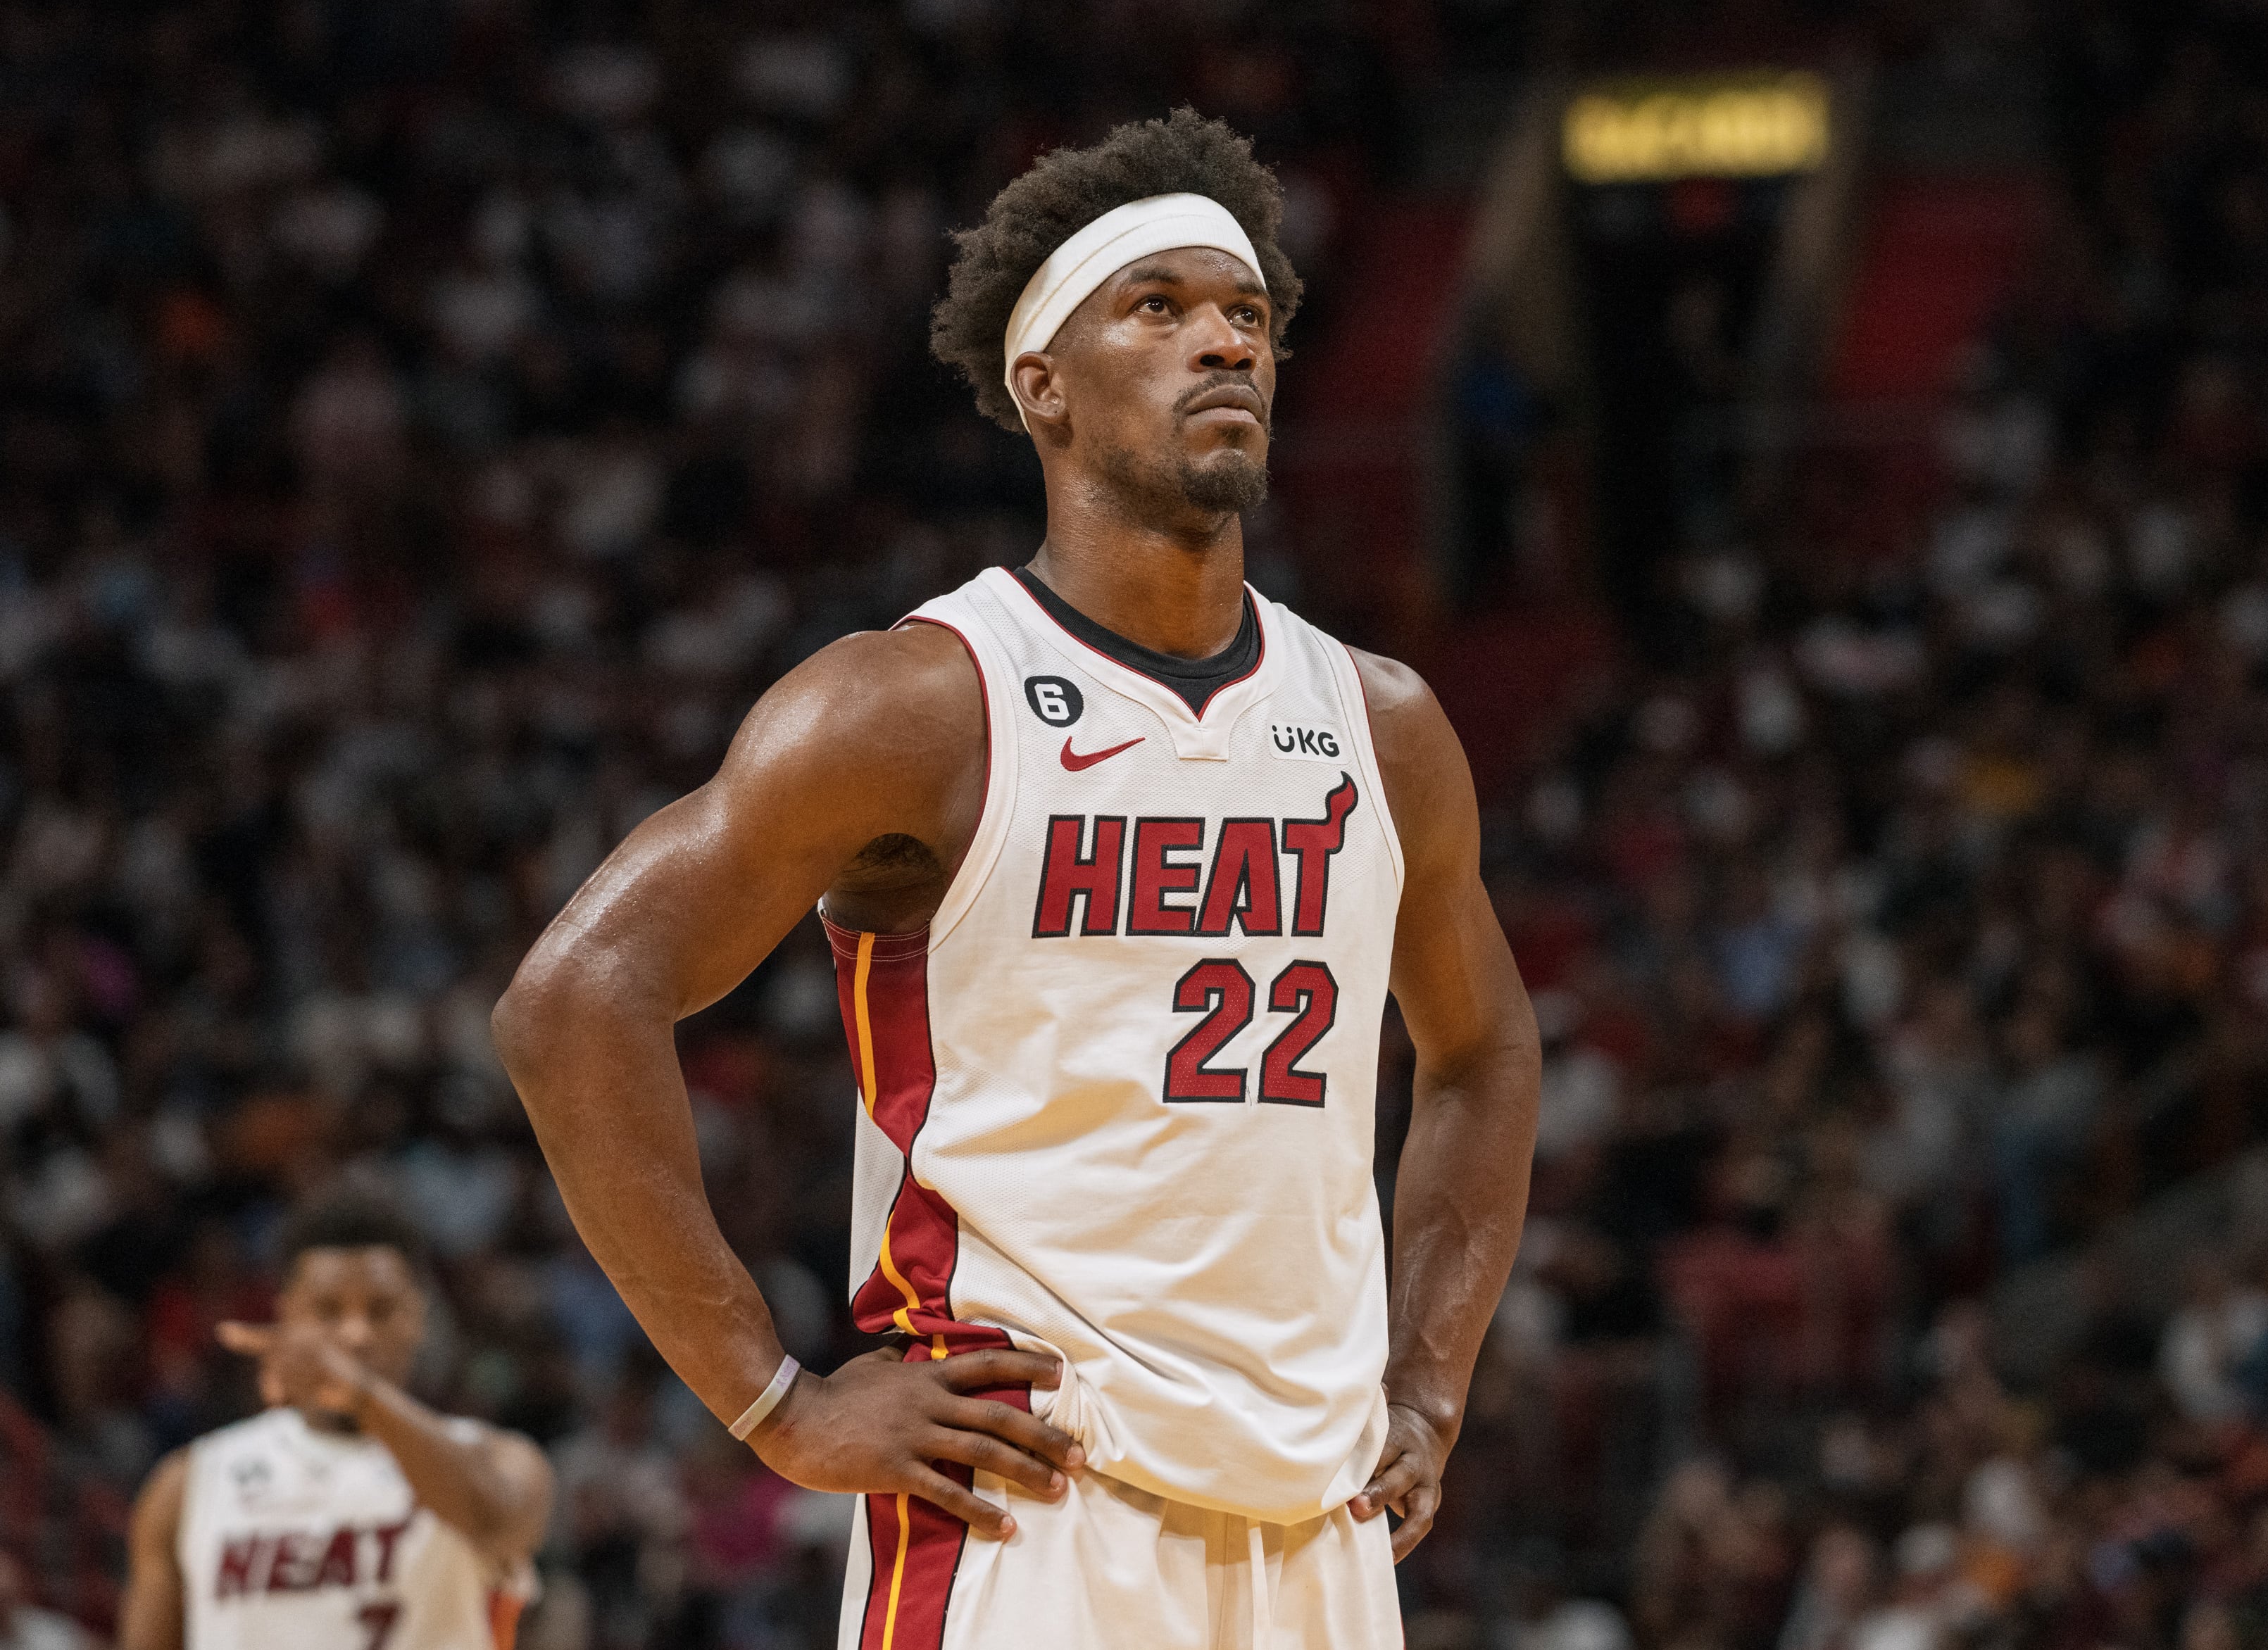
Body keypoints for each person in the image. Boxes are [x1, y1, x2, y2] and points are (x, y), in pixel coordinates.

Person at [491, 108, 1542, 1646]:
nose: (1223, 345)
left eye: (1246, 315)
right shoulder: (913, 700)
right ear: (1041, 383)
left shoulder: (1378, 722)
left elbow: (1483, 1046)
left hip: (1318, 1516)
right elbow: (573, 998)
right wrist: (776, 1403)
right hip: (1034, 1505)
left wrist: (1430, 1379)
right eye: (1160, 309)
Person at [116, 1195, 551, 1650]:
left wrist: (362, 1397)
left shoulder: (494, 1456)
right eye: (328, 1310)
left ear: (418, 1318)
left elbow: (498, 1522)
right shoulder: (189, 1483)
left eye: (380, 1310)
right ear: (287, 1315)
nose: (355, 1334)